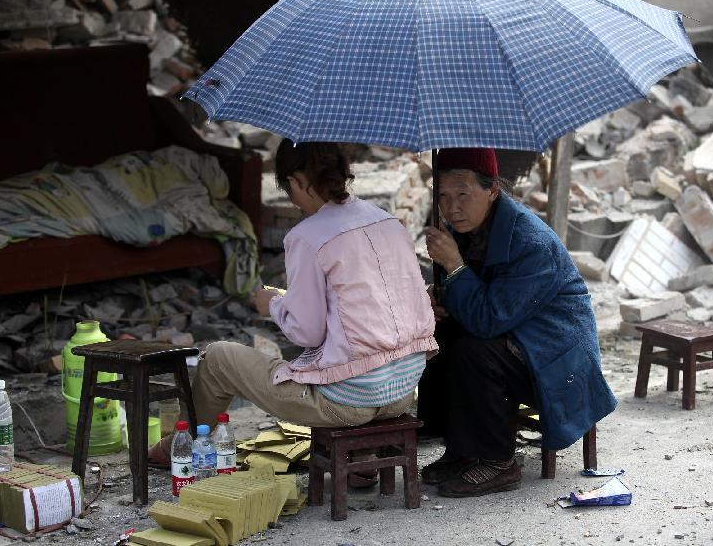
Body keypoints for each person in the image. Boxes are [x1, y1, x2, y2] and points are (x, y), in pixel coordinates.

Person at [148, 140, 438, 485]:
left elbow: (308, 332)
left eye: (288, 188)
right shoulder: (388, 221)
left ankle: (179, 448)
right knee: (356, 357)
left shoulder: (307, 236)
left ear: (299, 181)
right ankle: (360, 462)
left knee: (217, 359)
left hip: (350, 400)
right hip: (403, 389)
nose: (291, 199)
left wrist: (271, 303)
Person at [418, 147, 617, 498]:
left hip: (556, 359)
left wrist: (455, 266)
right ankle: (462, 448)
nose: (452, 207)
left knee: (473, 351)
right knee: (439, 334)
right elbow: (474, 298)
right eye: (444, 196)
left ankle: (499, 462)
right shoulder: (465, 228)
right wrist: (439, 296)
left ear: (492, 190)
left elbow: (489, 319)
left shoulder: (531, 243)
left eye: (463, 194)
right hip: (516, 337)